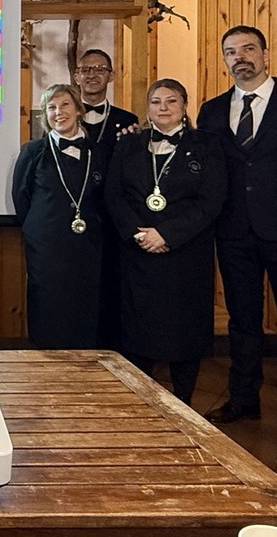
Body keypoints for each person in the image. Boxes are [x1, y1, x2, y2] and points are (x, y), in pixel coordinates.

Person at [195, 26, 277, 453]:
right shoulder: (212, 111)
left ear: (266, 54)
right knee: (243, 319)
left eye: (248, 49)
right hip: (234, 233)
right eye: (231, 51)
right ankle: (243, 397)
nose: (240, 57)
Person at [105, 78, 226, 405]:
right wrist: (139, 233)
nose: (164, 108)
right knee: (138, 329)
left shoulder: (207, 145)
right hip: (138, 253)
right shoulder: (128, 144)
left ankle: (184, 402)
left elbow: (211, 201)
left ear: (184, 106)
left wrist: (167, 235)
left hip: (185, 254)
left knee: (184, 331)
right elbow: (113, 195)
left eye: (171, 101)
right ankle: (141, 401)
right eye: (156, 101)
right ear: (147, 108)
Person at [11, 84, 104, 348]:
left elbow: (104, 198)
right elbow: (21, 197)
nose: (58, 112)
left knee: (85, 304)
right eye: (51, 107)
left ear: (78, 110)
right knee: (48, 305)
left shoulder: (98, 151)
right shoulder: (33, 151)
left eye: (64, 105)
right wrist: (41, 230)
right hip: (46, 248)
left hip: (87, 245)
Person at [73, 48, 139, 349]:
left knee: (114, 287)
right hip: (75, 215)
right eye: (86, 69)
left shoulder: (128, 121)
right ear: (76, 76)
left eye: (100, 69)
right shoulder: (63, 116)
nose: (92, 74)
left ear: (111, 76)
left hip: (115, 221)